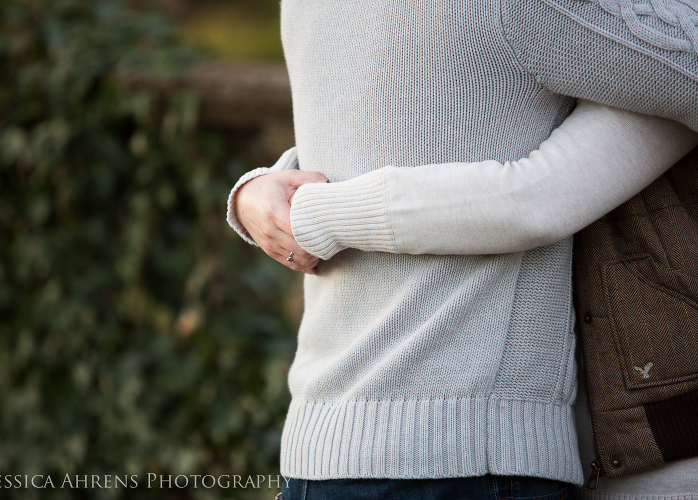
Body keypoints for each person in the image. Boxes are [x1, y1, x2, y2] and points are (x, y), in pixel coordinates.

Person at [227, 1, 698, 498]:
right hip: (476, 447)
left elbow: (388, 133)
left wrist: (283, 202)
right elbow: (529, 199)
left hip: (320, 447)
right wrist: (293, 207)